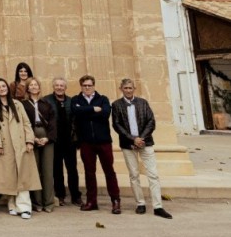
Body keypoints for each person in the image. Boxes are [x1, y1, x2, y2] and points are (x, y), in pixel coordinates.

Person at [111, 79, 172, 219]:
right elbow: (116, 125)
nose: (128, 90)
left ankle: (158, 206)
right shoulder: (116, 105)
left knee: (153, 174)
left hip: (146, 143)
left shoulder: (143, 103)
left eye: (130, 88)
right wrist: (133, 139)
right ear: (121, 89)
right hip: (128, 144)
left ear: (134, 88)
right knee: (134, 174)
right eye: (125, 88)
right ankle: (140, 203)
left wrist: (141, 138)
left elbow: (151, 121)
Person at [0, 78, 40, 219]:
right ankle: (11, 204)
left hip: (21, 144)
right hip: (5, 146)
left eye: (3, 86)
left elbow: (26, 123)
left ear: (7, 87)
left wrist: (30, 141)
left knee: (23, 176)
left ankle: (24, 207)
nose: (1, 89)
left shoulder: (17, 104)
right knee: (9, 177)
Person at [72, 74, 121, 214]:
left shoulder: (103, 99)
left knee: (109, 171)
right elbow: (76, 111)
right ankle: (91, 201)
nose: (87, 88)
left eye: (89, 85)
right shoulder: (76, 100)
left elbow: (105, 113)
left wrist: (85, 112)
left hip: (104, 141)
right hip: (86, 142)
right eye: (84, 85)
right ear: (81, 86)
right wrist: (94, 109)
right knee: (89, 172)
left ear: (94, 86)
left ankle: (115, 201)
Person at [43, 77, 82, 206]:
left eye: (62, 86)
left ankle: (76, 196)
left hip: (69, 140)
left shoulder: (71, 101)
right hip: (55, 140)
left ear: (65, 88)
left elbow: (76, 121)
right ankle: (60, 195)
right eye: (57, 85)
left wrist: (76, 139)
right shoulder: (46, 100)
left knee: (72, 169)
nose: (59, 88)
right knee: (57, 170)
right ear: (53, 87)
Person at [22, 77, 56, 212]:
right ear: (28, 88)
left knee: (47, 171)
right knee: (34, 171)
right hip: (31, 136)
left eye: (36, 84)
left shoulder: (46, 104)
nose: (34, 87)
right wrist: (32, 138)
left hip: (46, 136)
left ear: (39, 87)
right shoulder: (23, 104)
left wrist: (48, 138)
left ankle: (48, 202)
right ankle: (37, 203)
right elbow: (23, 123)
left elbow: (53, 123)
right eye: (31, 85)